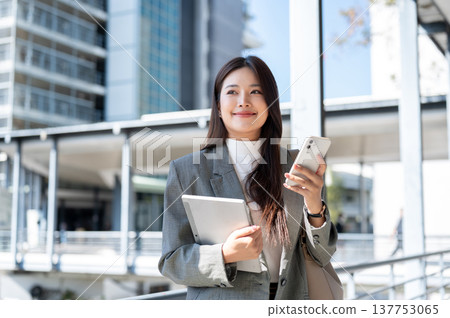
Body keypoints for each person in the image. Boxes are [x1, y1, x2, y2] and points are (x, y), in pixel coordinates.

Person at [158, 56, 337, 300]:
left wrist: (315, 205)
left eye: (256, 91)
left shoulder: (296, 166)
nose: (244, 102)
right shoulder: (187, 171)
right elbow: (171, 261)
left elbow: (323, 256)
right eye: (232, 92)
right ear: (218, 106)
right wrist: (224, 254)